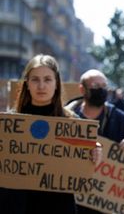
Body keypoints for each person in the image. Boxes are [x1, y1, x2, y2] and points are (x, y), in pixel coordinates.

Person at [0, 54, 102, 214]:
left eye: (47, 79)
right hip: (17, 206)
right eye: (35, 79)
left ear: (56, 84)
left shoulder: (73, 122)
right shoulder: (9, 123)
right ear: (27, 84)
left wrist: (93, 152)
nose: (41, 86)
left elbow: (81, 167)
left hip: (58, 206)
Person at [65, 69, 124, 214]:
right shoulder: (66, 116)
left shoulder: (120, 119)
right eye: (96, 86)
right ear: (82, 89)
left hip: (104, 201)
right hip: (72, 199)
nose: (101, 90)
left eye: (104, 86)